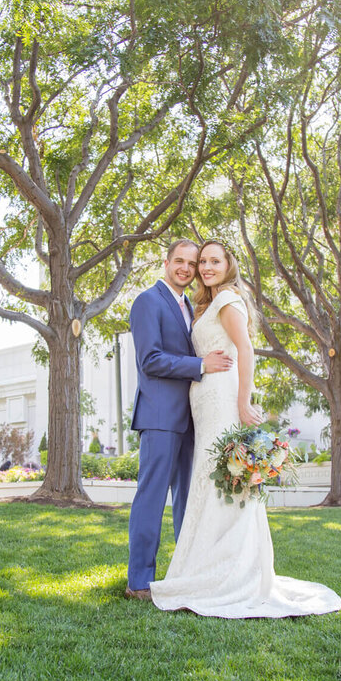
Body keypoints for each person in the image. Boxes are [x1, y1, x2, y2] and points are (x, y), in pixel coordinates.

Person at [150, 240, 341, 618]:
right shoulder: (207, 303)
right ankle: (201, 567)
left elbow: (246, 349)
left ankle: (232, 573)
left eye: (214, 261)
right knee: (208, 482)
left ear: (229, 265)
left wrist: (243, 402)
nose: (205, 267)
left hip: (223, 400)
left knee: (224, 483)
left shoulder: (228, 300)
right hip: (204, 403)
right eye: (202, 261)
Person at [126, 239, 234, 601]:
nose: (187, 268)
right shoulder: (148, 301)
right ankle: (139, 581)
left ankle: (185, 573)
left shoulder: (191, 305)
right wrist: (201, 365)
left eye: (194, 263)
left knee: (189, 502)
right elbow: (151, 360)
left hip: (193, 418)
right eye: (181, 261)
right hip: (159, 417)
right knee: (151, 500)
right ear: (167, 262)